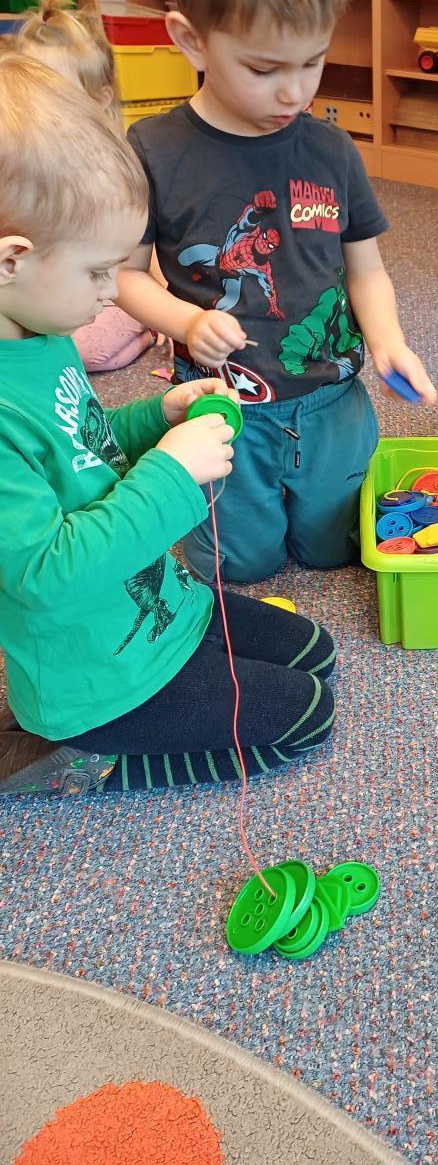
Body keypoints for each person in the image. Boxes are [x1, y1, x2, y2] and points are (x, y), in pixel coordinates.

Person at [0, 56, 337, 796]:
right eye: (98, 273)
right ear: (12, 261)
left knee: (314, 649)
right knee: (308, 716)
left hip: (156, 605)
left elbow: (83, 450)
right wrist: (173, 472)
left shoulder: (40, 335)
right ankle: (86, 762)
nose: (113, 294)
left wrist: (157, 416)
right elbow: (45, 575)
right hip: (101, 678)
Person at [117, 0, 436, 583]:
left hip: (331, 401)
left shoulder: (332, 150)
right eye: (265, 69)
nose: (295, 92)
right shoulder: (153, 151)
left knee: (336, 550)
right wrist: (186, 321)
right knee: (238, 568)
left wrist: (389, 342)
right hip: (224, 406)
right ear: (190, 40)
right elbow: (125, 276)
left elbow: (366, 268)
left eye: (312, 61)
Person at [14, 0, 161, 373]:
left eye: (56, 98)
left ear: (98, 101)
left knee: (85, 348)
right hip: (54, 285)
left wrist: (161, 307)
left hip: (107, 288)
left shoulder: (112, 171)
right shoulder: (20, 165)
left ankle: (144, 331)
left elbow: (143, 253)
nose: (38, 110)